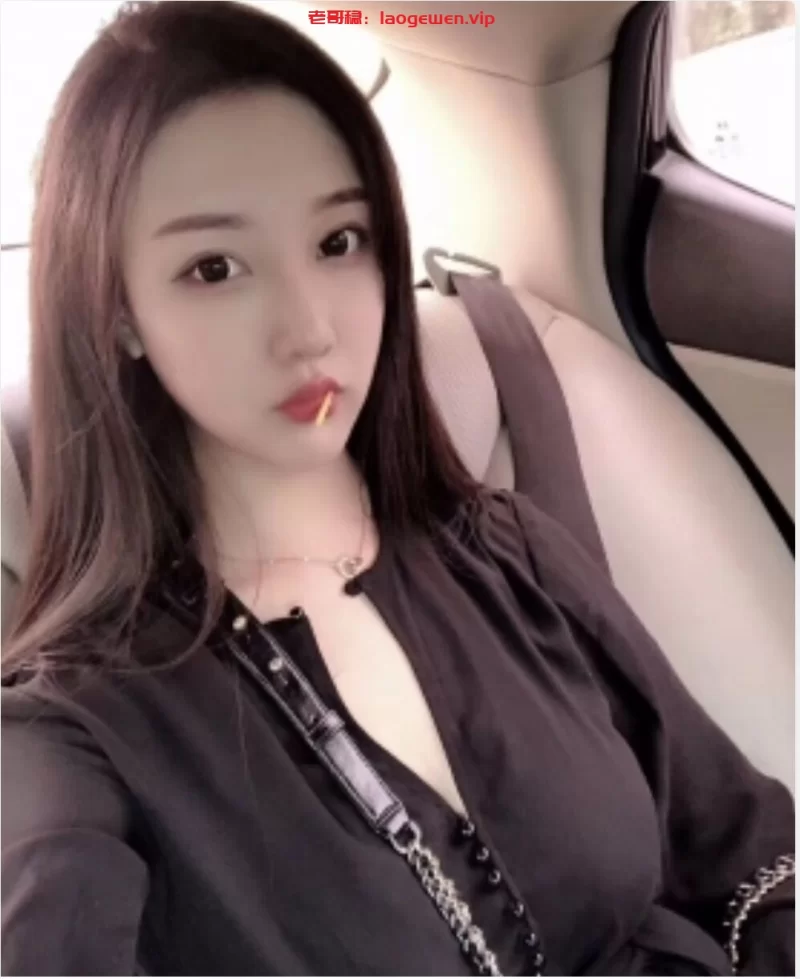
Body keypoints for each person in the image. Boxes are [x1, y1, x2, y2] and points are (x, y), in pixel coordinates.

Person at [1, 2, 794, 976]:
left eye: (339, 241)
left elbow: (753, 857)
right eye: (215, 267)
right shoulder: (74, 736)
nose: (309, 329)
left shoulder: (507, 551)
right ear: (119, 310)